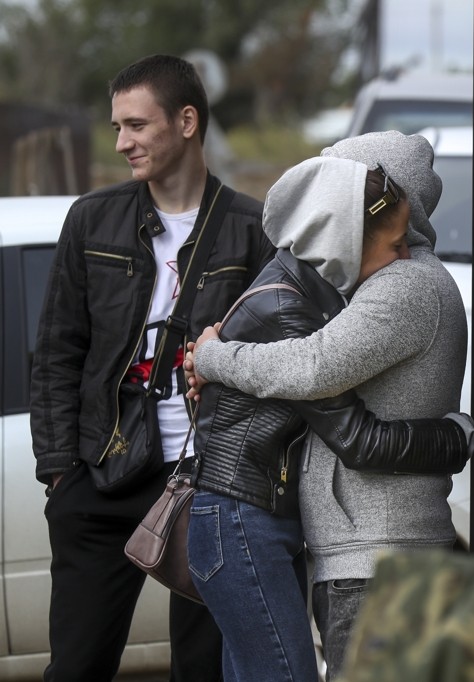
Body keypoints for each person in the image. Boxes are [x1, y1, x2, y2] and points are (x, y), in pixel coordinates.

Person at [186, 130, 467, 680]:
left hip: (380, 558)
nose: (400, 249)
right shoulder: (351, 288)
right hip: (369, 552)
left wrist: (213, 355)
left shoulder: (402, 286)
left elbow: (314, 369)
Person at [30, 54, 275, 681]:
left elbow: (277, 360)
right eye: (117, 127)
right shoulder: (92, 219)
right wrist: (61, 474)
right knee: (77, 666)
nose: (121, 143)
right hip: (103, 473)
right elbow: (58, 350)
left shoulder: (253, 230)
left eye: (136, 125)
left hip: (211, 479)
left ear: (186, 121)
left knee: (203, 669)